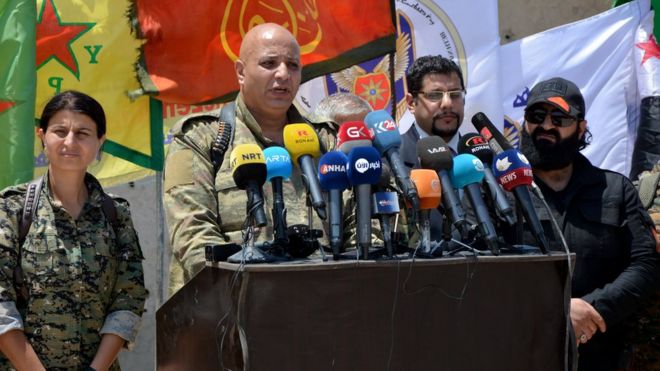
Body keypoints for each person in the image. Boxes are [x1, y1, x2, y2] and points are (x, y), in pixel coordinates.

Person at [163, 23, 337, 296]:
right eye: (269, 63)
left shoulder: (325, 140)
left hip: (323, 305)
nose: (283, 74)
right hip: (231, 310)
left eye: (292, 65)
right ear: (241, 72)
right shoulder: (202, 139)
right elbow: (192, 233)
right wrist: (249, 293)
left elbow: (360, 223)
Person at [518, 77, 659, 370]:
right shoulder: (499, 193)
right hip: (521, 350)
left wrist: (591, 310)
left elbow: (645, 264)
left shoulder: (616, 189)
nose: (546, 126)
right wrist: (556, 313)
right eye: (536, 116)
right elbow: (481, 274)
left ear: (581, 128)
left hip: (602, 355)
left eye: (559, 118)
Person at [0, 91, 147, 370]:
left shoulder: (116, 215)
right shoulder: (12, 208)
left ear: (99, 141)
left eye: (82, 133)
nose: (70, 141)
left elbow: (129, 299)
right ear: (42, 136)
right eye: (60, 131)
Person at [399, 55, 466, 245]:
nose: (447, 103)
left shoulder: (483, 158)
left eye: (455, 94)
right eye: (435, 95)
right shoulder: (392, 160)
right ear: (411, 103)